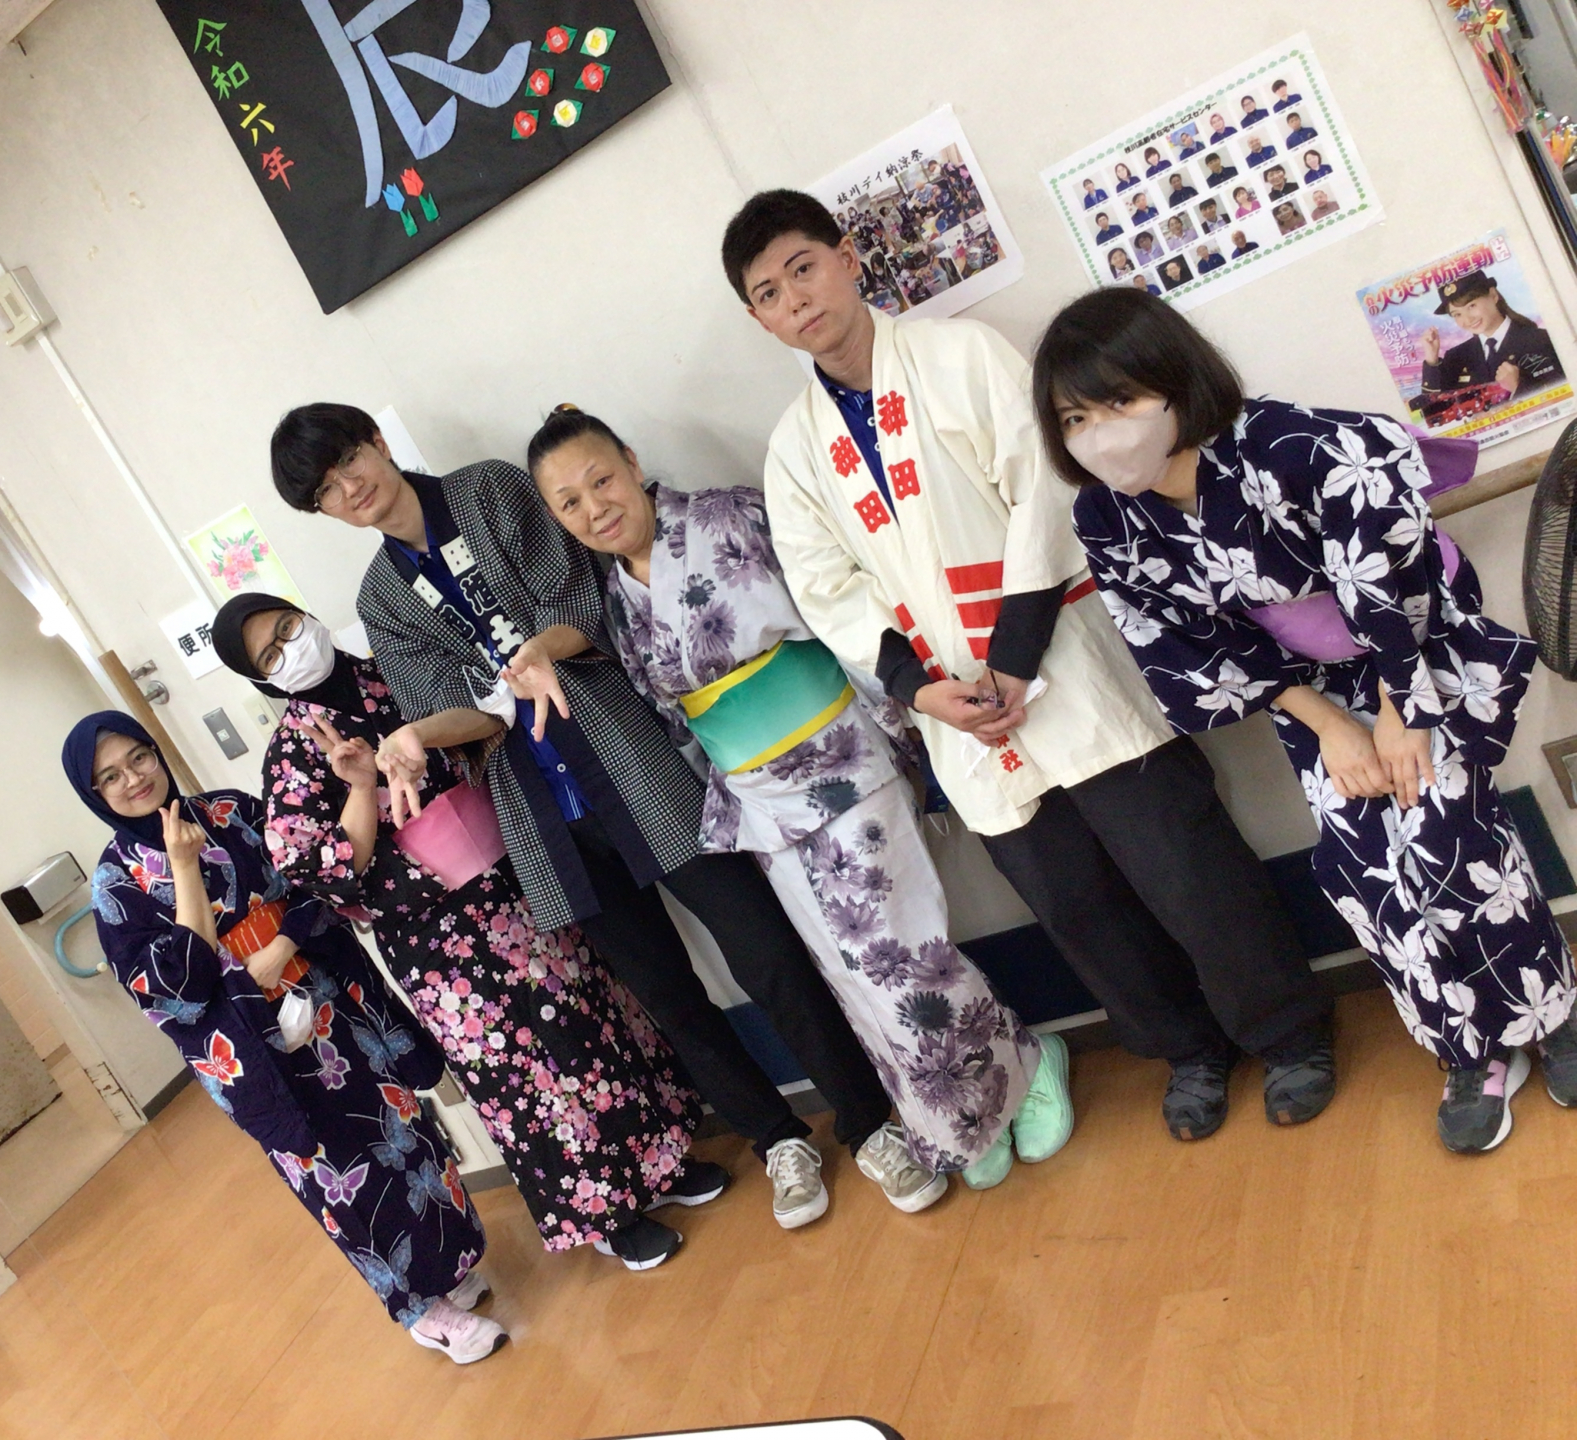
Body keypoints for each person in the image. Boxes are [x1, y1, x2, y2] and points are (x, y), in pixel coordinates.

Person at [721, 189, 1334, 1143]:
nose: (795, 298)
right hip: (955, 711)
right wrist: (919, 689)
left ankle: (1288, 1032)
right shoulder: (794, 451)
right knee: (1077, 906)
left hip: (1066, 662)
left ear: (847, 257)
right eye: (769, 292)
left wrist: (1013, 656)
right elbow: (824, 588)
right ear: (759, 320)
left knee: (1185, 863)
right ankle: (1188, 1051)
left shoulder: (962, 356)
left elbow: (1047, 490)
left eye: (804, 267)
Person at [271, 404, 924, 1229]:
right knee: (665, 995)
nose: (350, 488)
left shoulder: (489, 493)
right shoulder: (382, 599)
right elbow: (452, 713)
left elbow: (586, 599)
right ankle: (777, 1139)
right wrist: (415, 736)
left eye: (348, 461)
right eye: (326, 491)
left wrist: (538, 651)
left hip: (626, 753)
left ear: (375, 440)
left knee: (763, 950)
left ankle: (867, 1120)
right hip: (541, 811)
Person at [1034, 287, 1577, 1152]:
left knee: (1450, 830)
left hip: (1415, 646)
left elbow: (1396, 575)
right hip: (1303, 686)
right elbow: (1182, 642)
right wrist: (1329, 725)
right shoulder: (1106, 517)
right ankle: (1467, 1051)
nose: (1101, 433)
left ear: (1175, 382)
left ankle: (1552, 1012)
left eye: (1120, 401)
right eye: (1075, 418)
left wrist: (1399, 708)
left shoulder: (1298, 445)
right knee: (1366, 863)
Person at [527, 409, 1077, 1192]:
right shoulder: (615, 600)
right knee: (850, 972)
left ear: (631, 461)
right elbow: (677, 718)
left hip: (841, 757)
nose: (595, 508)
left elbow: (836, 617)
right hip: (756, 800)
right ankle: (964, 1115)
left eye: (601, 480)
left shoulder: (731, 516)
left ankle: (1026, 1065)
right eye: (570, 503)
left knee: (898, 951)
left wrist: (903, 727)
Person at [209, 594, 727, 1272]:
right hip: (434, 931)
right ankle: (606, 1214)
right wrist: (362, 788)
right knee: (523, 1067)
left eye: (287, 627)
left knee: (595, 1016)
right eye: (272, 654)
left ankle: (661, 1161)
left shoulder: (395, 672)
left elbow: (483, 726)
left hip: (516, 872)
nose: (292, 648)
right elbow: (315, 868)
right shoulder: (292, 755)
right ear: (263, 679)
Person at [59, 713, 506, 1363]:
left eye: (139, 758)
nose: (133, 779)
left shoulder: (230, 811)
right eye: (110, 777)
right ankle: (421, 1311)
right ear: (94, 794)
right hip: (257, 1048)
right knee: (339, 1172)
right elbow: (180, 984)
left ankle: (446, 1268)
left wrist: (284, 943)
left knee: (403, 1134)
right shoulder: (116, 885)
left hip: (327, 1001)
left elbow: (312, 878)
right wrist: (183, 867)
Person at [1420, 269, 1567, 400]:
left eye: (1471, 306)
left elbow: (1567, 394)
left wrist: (1519, 387)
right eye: (1457, 314)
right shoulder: (1456, 357)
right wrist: (1431, 361)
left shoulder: (1541, 339)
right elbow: (1435, 409)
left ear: (1493, 295)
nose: (1467, 320)